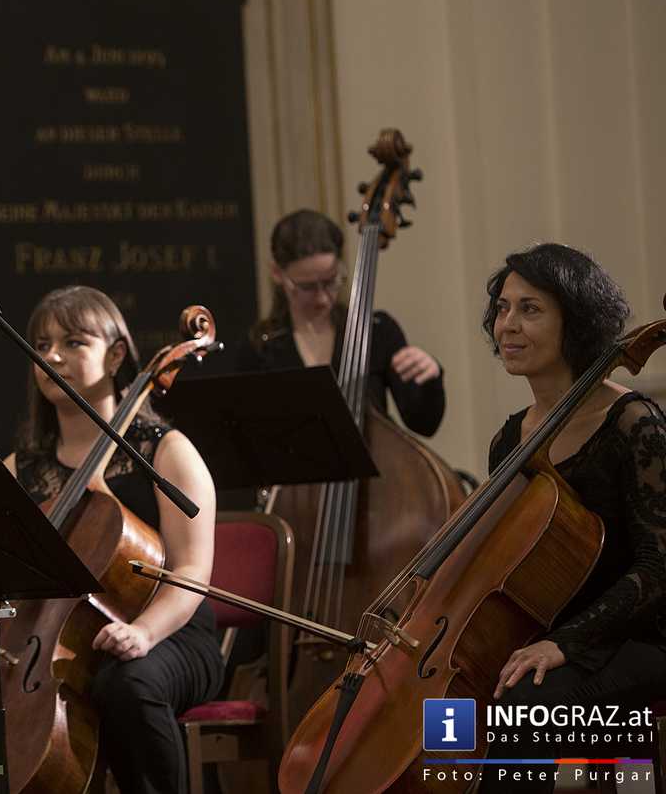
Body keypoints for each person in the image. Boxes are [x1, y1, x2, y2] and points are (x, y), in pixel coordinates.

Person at [0, 285, 222, 794]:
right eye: (41, 345)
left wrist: (146, 633)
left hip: (170, 631)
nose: (51, 356)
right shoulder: (18, 469)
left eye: (73, 343)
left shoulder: (167, 453)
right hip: (51, 642)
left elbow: (192, 574)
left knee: (127, 688)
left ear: (116, 355)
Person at [477, 244, 666, 792]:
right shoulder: (510, 439)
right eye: (503, 308)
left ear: (576, 323)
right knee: (460, 709)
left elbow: (660, 568)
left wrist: (568, 642)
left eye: (530, 309)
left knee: (522, 712)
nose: (507, 324)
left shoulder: (634, 423)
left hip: (640, 636)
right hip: (554, 637)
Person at [234, 209, 445, 437]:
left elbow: (424, 424)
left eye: (330, 281)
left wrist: (430, 375)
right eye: (307, 287)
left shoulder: (376, 331)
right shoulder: (261, 349)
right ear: (277, 273)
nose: (323, 297)